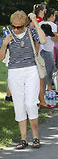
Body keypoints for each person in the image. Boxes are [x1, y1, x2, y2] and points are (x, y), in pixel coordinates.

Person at [0, 11, 46, 149]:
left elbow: (43, 40)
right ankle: (23, 139)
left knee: (31, 104)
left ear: (25, 25)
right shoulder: (7, 35)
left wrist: (36, 23)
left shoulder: (31, 32)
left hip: (31, 70)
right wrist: (4, 44)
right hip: (14, 72)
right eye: (13, 26)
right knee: (19, 105)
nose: (15, 29)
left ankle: (36, 137)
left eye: (19, 27)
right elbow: (1, 58)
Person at [40, 8, 58, 91]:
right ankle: (48, 90)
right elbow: (54, 39)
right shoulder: (52, 25)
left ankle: (45, 89)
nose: (55, 17)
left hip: (41, 50)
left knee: (44, 71)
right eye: (54, 15)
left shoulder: (40, 23)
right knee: (49, 71)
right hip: (47, 51)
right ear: (51, 15)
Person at [33, 4, 49, 108]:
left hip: (35, 52)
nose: (45, 12)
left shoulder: (34, 21)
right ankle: (42, 101)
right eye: (45, 10)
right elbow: (38, 40)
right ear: (41, 11)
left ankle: (40, 101)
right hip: (37, 53)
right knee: (41, 78)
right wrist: (36, 54)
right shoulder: (39, 22)